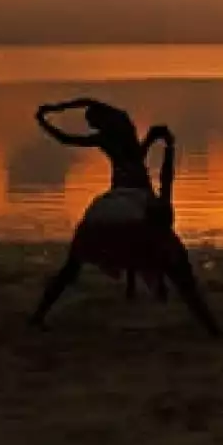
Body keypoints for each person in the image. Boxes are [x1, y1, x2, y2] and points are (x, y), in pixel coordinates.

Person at [30, 121, 221, 336]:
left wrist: (155, 143)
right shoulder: (155, 206)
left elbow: (139, 165)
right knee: (182, 276)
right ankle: (212, 329)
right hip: (125, 224)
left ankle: (38, 315)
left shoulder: (122, 188)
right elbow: (166, 181)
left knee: (69, 270)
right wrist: (169, 149)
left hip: (95, 220)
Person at [31, 97, 160, 299]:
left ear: (102, 120)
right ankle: (134, 284)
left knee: (137, 230)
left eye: (95, 124)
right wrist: (53, 112)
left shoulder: (112, 132)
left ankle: (137, 282)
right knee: (138, 230)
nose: (95, 128)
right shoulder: (121, 127)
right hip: (133, 183)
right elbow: (74, 130)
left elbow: (70, 133)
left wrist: (49, 115)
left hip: (128, 184)